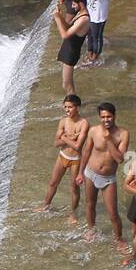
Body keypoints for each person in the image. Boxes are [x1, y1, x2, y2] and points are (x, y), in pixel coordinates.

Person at [77, 101, 129, 244]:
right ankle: (91, 230)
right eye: (103, 117)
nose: (106, 120)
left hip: (108, 179)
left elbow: (119, 159)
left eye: (109, 116)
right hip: (90, 173)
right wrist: (80, 172)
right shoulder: (93, 131)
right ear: (100, 117)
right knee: (90, 205)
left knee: (113, 214)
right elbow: (86, 151)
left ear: (115, 116)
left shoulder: (122, 134)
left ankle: (119, 239)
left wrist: (108, 139)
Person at [35, 94, 91, 223]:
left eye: (70, 107)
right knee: (53, 183)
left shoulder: (84, 124)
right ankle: (45, 206)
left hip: (76, 160)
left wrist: (65, 137)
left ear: (77, 107)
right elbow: (56, 143)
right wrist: (70, 138)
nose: (67, 110)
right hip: (62, 156)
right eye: (65, 107)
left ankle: (73, 214)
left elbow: (78, 146)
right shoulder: (63, 121)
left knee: (74, 188)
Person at [54, 0, 89, 96]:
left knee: (67, 85)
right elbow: (69, 26)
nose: (73, 7)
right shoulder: (79, 13)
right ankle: (71, 102)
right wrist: (60, 16)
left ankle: (73, 103)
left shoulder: (84, 19)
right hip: (68, 49)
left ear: (81, 4)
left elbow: (64, 35)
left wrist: (57, 19)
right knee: (67, 84)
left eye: (74, 4)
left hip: (71, 53)